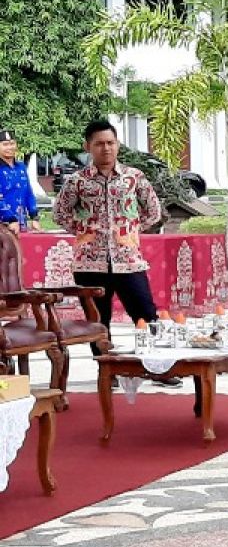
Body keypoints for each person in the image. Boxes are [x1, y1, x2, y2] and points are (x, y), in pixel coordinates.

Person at [52, 121, 180, 386]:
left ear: (117, 144)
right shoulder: (77, 181)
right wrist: (85, 230)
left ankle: (158, 367)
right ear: (88, 147)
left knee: (145, 313)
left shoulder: (134, 177)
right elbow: (59, 213)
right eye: (99, 144)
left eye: (110, 143)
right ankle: (107, 371)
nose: (106, 149)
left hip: (128, 260)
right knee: (99, 320)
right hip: (90, 263)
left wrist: (131, 230)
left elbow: (153, 210)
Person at [0, 129, 42, 233]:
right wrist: (10, 219)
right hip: (3, 226)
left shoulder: (21, 168)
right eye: (5, 144)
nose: (9, 147)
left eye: (12, 143)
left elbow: (29, 193)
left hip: (21, 224)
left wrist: (34, 217)